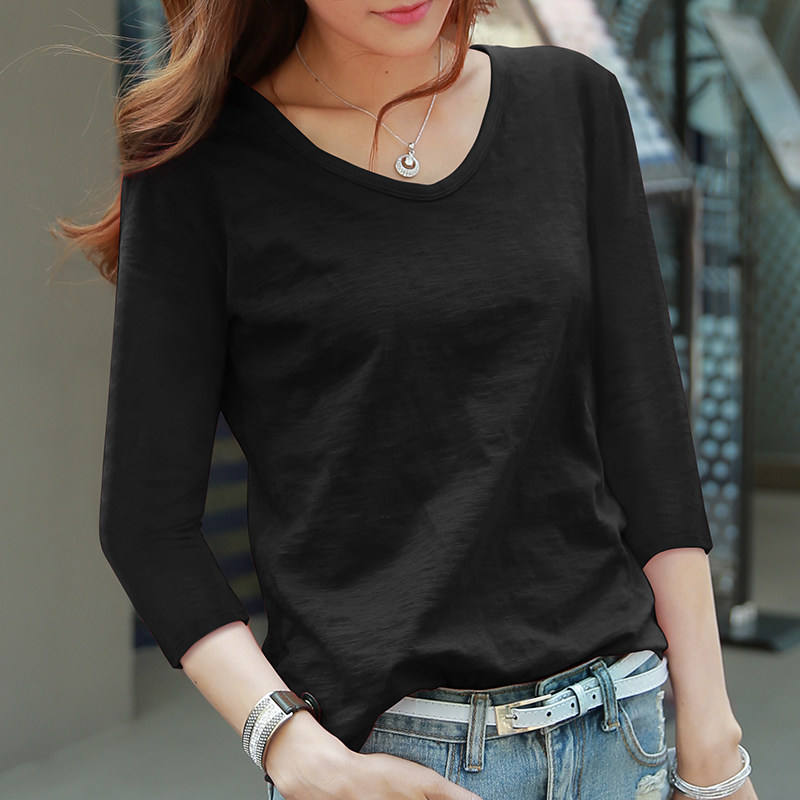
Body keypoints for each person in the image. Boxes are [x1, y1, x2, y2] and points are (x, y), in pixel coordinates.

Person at [52, 0, 760, 798]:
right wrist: (288, 745)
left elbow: (649, 442)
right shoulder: (198, 165)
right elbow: (148, 528)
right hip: (396, 754)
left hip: (617, 734)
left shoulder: (575, 100)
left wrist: (712, 731)